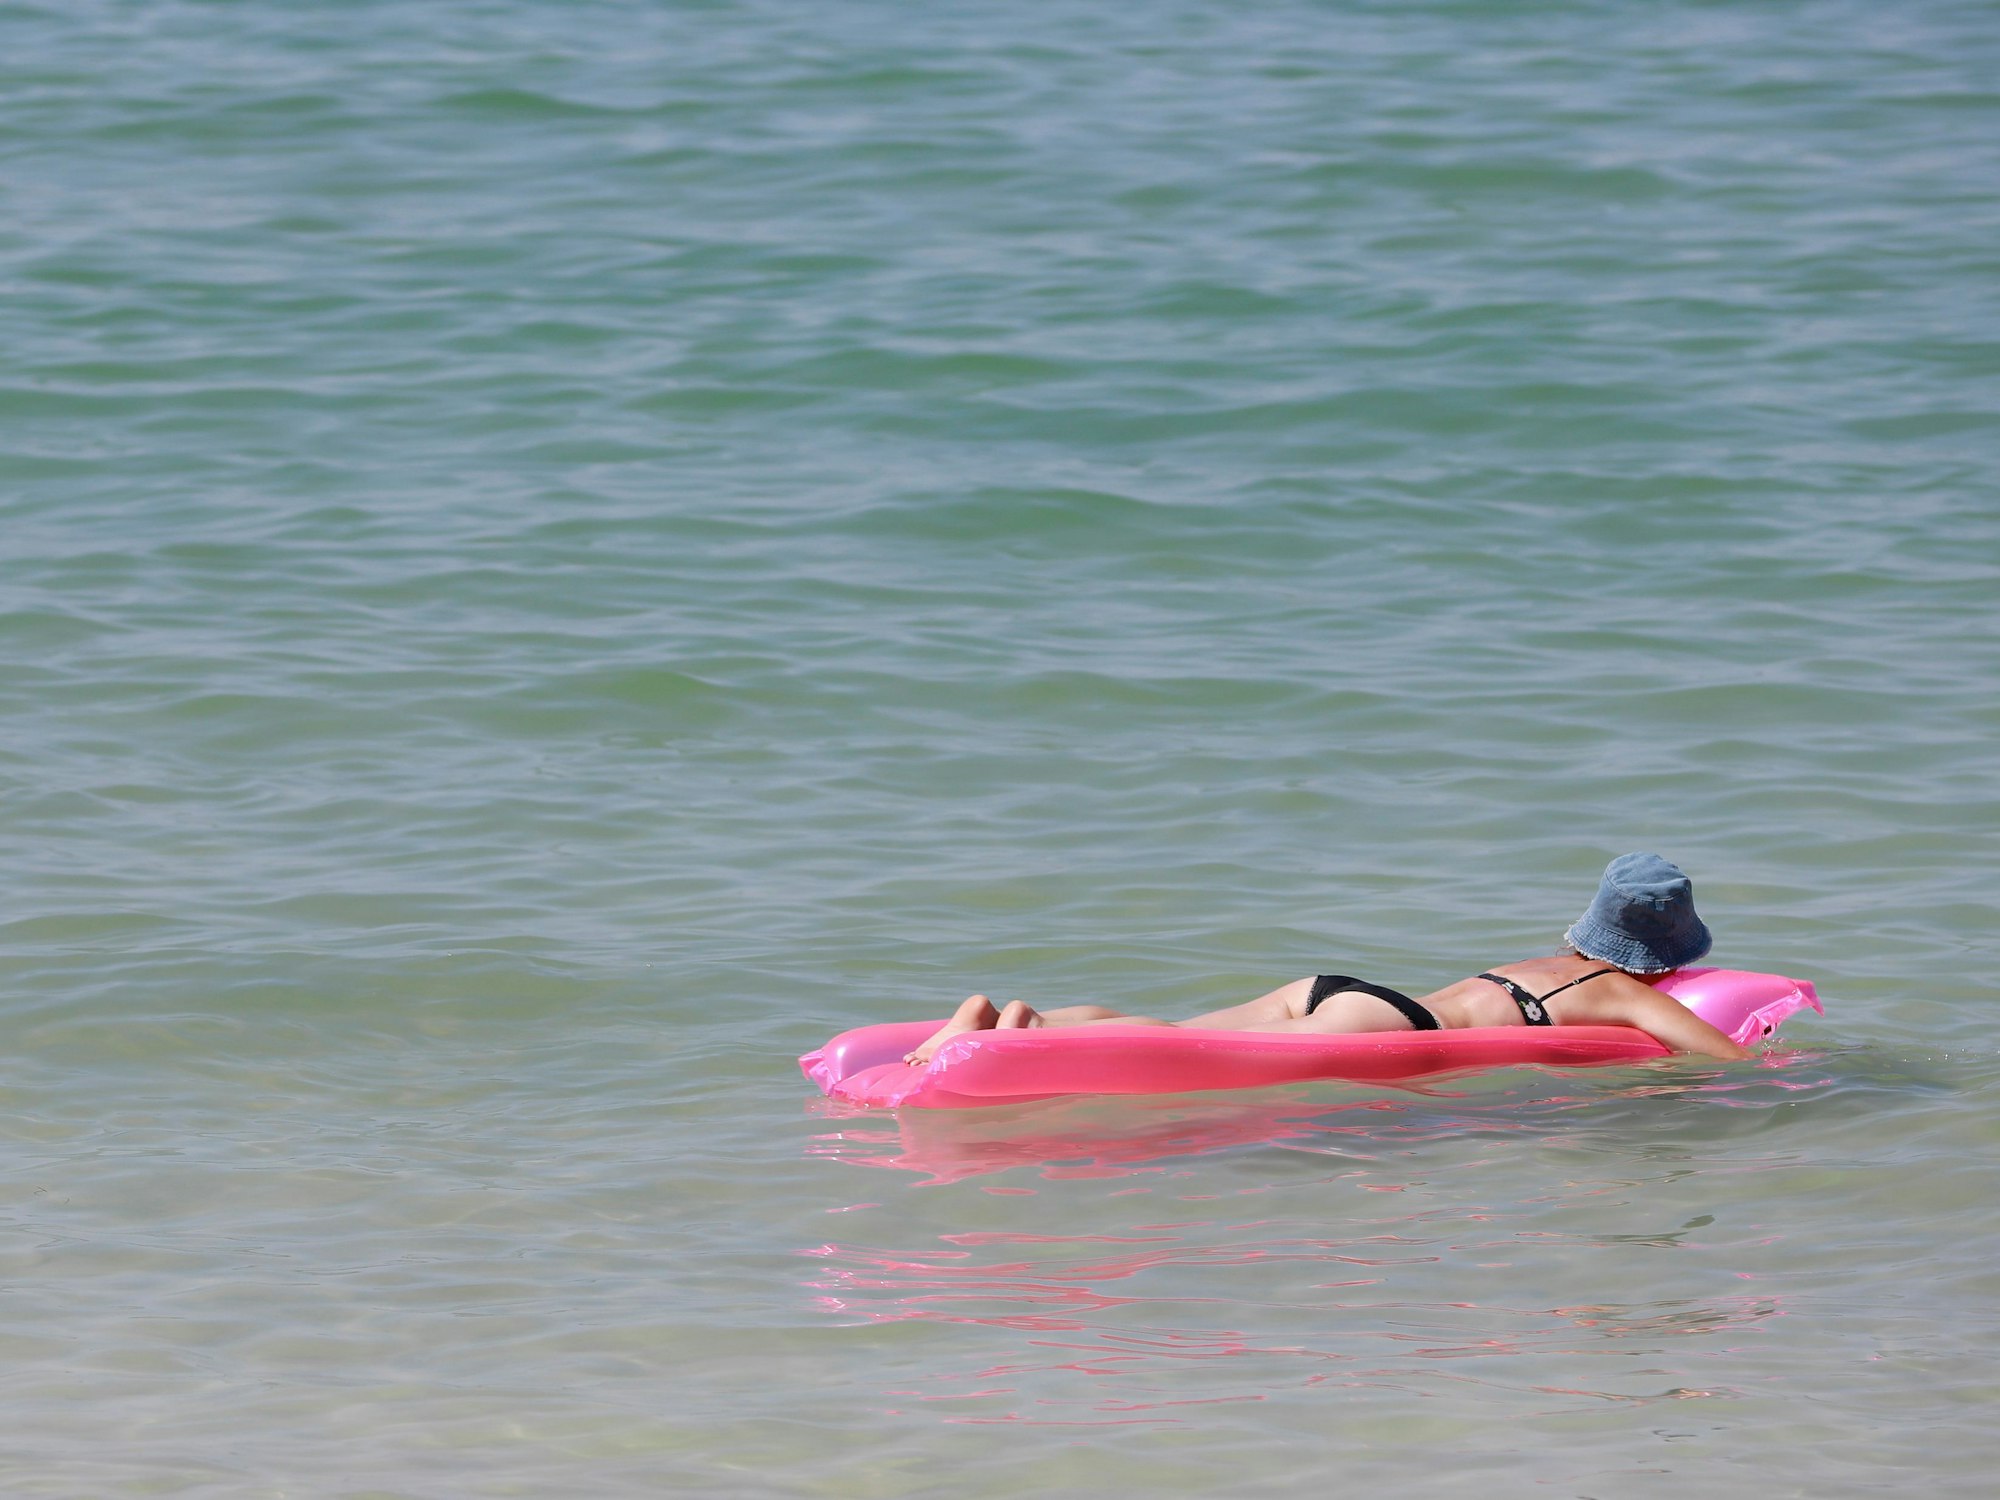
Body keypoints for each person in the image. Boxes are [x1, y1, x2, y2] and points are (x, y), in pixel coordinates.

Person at [905, 852, 1752, 1065]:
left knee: (1174, 1029)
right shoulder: (1627, 994)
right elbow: (1726, 1063)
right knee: (1188, 1055)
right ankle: (1010, 1036)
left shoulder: (1548, 959)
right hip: (1386, 1022)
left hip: (1336, 988)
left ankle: (1024, 1018)